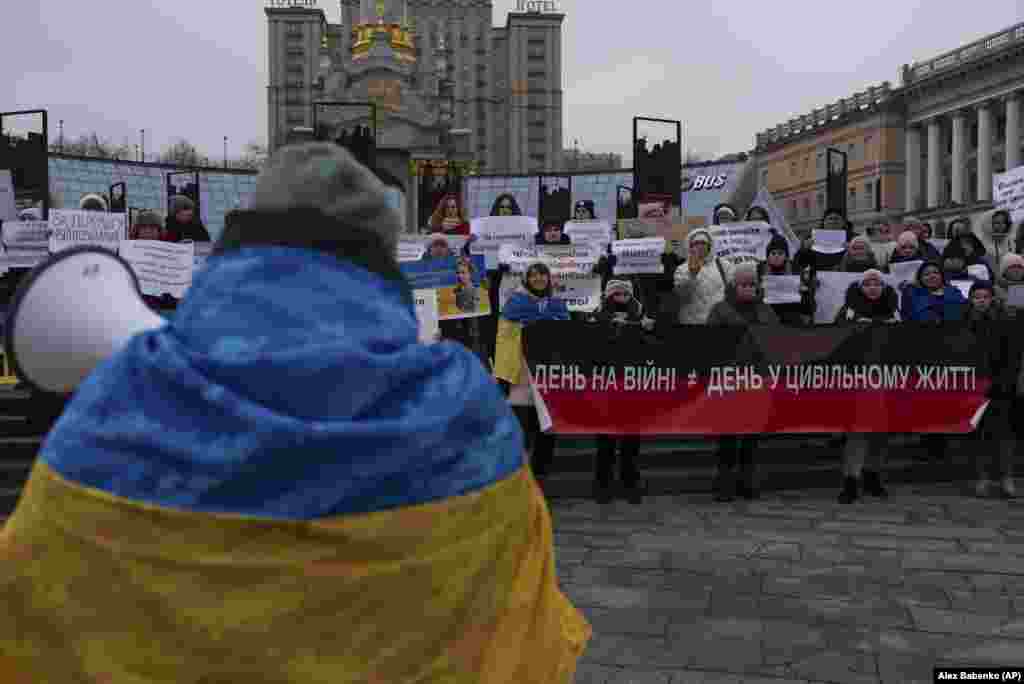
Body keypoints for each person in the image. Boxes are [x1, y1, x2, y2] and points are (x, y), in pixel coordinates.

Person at [0, 143, 591, 682]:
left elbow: (27, 614)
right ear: (384, 266)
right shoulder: (469, 416)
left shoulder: (113, 402)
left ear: (238, 242)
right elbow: (525, 647)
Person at [706, 262, 778, 501]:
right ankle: (724, 481)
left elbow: (777, 341)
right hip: (731, 378)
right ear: (734, 286)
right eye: (743, 285)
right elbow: (710, 341)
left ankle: (746, 480)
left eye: (752, 285)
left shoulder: (767, 311)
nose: (748, 289)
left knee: (751, 434)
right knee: (727, 433)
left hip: (758, 378)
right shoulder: (720, 310)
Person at [494, 262, 570, 483]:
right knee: (522, 426)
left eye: (542, 275)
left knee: (547, 426)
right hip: (522, 374)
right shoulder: (514, 302)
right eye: (534, 275)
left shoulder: (557, 302)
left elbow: (567, 333)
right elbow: (504, 337)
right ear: (527, 279)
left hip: (548, 375)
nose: (538, 279)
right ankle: (519, 475)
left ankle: (541, 473)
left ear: (548, 278)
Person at [834, 269, 900, 504]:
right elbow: (835, 341)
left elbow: (906, 343)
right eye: (868, 283)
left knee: (881, 432)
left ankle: (873, 475)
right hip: (857, 378)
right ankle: (851, 479)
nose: (873, 287)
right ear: (860, 287)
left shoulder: (894, 311)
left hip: (886, 378)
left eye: (877, 283)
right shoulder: (848, 311)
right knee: (857, 430)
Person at [585, 280, 653, 504]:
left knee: (632, 439)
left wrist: (647, 330)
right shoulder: (598, 314)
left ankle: (630, 483)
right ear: (608, 295)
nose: (621, 295)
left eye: (625, 292)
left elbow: (652, 346)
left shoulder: (641, 313)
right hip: (606, 384)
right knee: (605, 438)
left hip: (633, 385)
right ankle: (602, 485)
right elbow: (589, 346)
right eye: (616, 292)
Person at [963, 281, 1016, 499]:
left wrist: (1006, 379)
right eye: (977, 297)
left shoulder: (1004, 322)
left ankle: (1006, 477)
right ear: (971, 300)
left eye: (985, 296)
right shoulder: (964, 323)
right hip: (974, 385)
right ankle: (982, 477)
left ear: (992, 298)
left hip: (1000, 384)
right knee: (978, 434)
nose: (981, 301)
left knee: (1003, 434)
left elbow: (1012, 354)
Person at [673, 228, 731, 324]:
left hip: (719, 321)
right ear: (690, 246)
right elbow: (681, 295)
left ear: (709, 246)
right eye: (696, 243)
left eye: (703, 243)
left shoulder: (724, 265)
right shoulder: (682, 269)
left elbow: (732, 291)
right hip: (692, 322)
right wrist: (692, 275)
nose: (699, 246)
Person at [130, 209, 180, 312]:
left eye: (152, 228)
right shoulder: (126, 252)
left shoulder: (169, 255)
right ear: (137, 231)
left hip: (160, 311)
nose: (148, 232)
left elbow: (174, 294)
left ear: (159, 231)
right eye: (143, 227)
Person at [760, 233, 814, 326]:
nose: (776, 256)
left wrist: (803, 291)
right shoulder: (759, 270)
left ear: (786, 256)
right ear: (768, 256)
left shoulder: (795, 269)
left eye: (780, 253)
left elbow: (808, 304)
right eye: (773, 253)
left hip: (792, 316)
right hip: (768, 318)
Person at [995, 253, 1024, 319]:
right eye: (1012, 267)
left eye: (1020, 267)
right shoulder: (996, 290)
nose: (1017, 270)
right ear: (1004, 270)